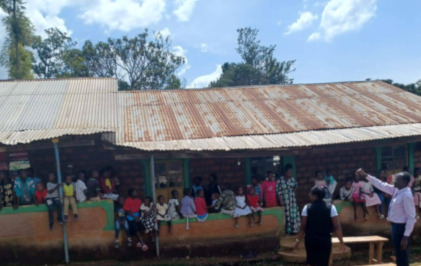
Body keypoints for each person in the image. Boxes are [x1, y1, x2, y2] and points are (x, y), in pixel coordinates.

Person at [357, 169, 416, 266]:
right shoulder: (397, 189)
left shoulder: (406, 195)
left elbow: (411, 217)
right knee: (399, 254)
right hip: (395, 227)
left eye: (397, 180)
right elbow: (380, 184)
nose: (394, 181)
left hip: (402, 228)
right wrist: (366, 175)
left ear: (404, 182)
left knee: (402, 255)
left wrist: (405, 237)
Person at [294, 187, 345, 266]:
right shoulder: (331, 207)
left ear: (315, 196)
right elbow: (337, 227)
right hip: (325, 239)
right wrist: (341, 242)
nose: (309, 196)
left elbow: (303, 227)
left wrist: (298, 241)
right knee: (324, 262)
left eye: (311, 194)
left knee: (310, 262)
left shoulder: (306, 208)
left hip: (311, 239)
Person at [277, 164, 301, 235]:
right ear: (285, 172)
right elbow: (278, 191)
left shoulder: (292, 179)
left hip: (292, 199)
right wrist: (281, 200)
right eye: (289, 172)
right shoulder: (280, 180)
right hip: (285, 199)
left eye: (291, 172)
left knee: (293, 214)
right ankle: (288, 231)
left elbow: (296, 186)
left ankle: (294, 230)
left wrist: (293, 191)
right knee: (287, 215)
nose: (290, 174)